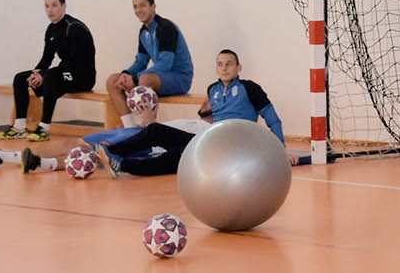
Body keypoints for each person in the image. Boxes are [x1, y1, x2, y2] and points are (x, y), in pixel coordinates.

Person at [91, 49, 282, 177]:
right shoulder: (213, 89)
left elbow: (273, 119)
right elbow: (212, 119)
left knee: (178, 156)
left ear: (238, 68)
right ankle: (111, 151)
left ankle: (122, 166)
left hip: (231, 146)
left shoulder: (250, 88)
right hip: (211, 139)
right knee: (156, 130)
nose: (224, 68)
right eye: (220, 64)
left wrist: (281, 150)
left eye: (229, 64)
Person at [0, 0, 96, 142]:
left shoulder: (74, 28)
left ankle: (44, 128)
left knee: (50, 77)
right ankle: (19, 127)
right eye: (47, 6)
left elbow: (75, 62)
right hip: (64, 72)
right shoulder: (51, 29)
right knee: (20, 78)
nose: (50, 10)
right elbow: (47, 59)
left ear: (64, 6)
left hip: (82, 76)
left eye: (54, 5)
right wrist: (36, 74)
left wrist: (43, 75)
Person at [105, 0, 192, 122]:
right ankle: (130, 127)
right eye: (135, 7)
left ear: (153, 6)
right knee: (113, 80)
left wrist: (134, 78)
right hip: (160, 77)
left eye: (143, 5)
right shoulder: (143, 31)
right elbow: (140, 62)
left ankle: (149, 125)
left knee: (145, 80)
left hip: (180, 78)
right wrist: (125, 74)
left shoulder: (166, 28)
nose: (138, 10)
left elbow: (165, 64)